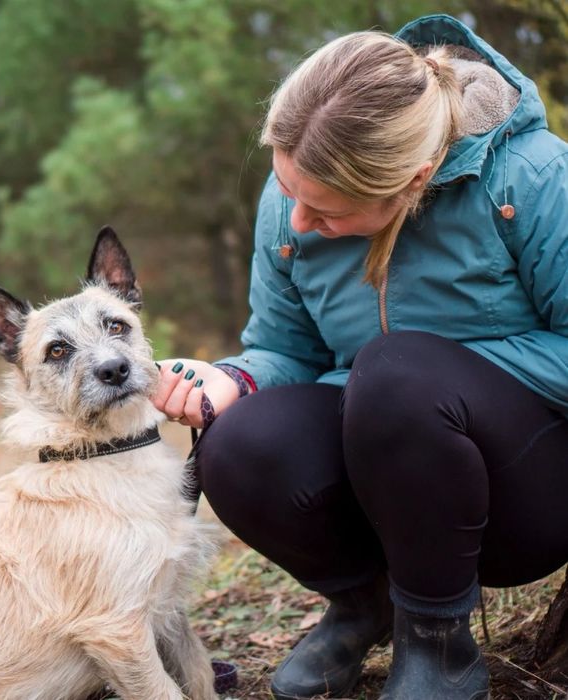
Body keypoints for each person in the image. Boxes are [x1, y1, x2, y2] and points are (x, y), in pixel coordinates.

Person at [151, 13, 568, 700]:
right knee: (239, 441)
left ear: (415, 178)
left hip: (524, 494)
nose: (300, 224)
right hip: (386, 460)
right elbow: (285, 346)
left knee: (396, 374)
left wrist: (434, 374)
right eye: (290, 195)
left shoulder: (530, 177)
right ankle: (362, 604)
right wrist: (234, 378)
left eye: (328, 212)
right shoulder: (294, 197)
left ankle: (436, 641)